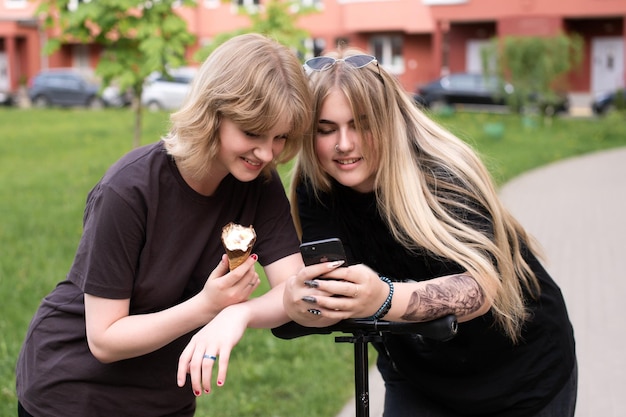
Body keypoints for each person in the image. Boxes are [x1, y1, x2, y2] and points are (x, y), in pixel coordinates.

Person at [16, 33, 311, 417]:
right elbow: (104, 339)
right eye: (252, 133)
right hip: (75, 392)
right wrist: (207, 306)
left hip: (164, 398)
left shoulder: (259, 183)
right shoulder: (128, 189)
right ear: (213, 113)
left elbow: (292, 289)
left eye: (280, 137)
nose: (267, 152)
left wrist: (239, 313)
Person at [283, 49, 577, 416]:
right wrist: (301, 301)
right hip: (418, 379)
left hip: (523, 377)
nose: (344, 144)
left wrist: (384, 299)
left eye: (361, 124)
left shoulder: (443, 172)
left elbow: (482, 287)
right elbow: (335, 292)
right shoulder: (315, 188)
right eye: (326, 130)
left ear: (389, 120)